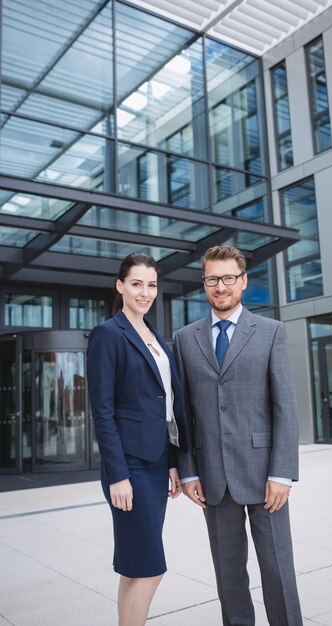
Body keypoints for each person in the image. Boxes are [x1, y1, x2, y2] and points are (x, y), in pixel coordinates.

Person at [174, 245, 302, 626]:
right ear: (204, 284)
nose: (221, 286)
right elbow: (184, 414)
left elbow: (286, 407)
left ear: (243, 281)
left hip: (266, 476)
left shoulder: (270, 332)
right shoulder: (184, 338)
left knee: (278, 571)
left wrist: (282, 474)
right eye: (213, 279)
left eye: (228, 278)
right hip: (213, 477)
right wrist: (188, 470)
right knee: (229, 578)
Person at [87, 252, 187, 626]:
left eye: (151, 285)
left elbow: (167, 407)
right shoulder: (108, 335)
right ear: (120, 286)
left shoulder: (158, 339)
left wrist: (174, 463)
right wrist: (118, 475)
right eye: (136, 284)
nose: (145, 292)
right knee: (150, 568)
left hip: (157, 461)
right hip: (129, 467)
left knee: (134, 567)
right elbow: (103, 411)